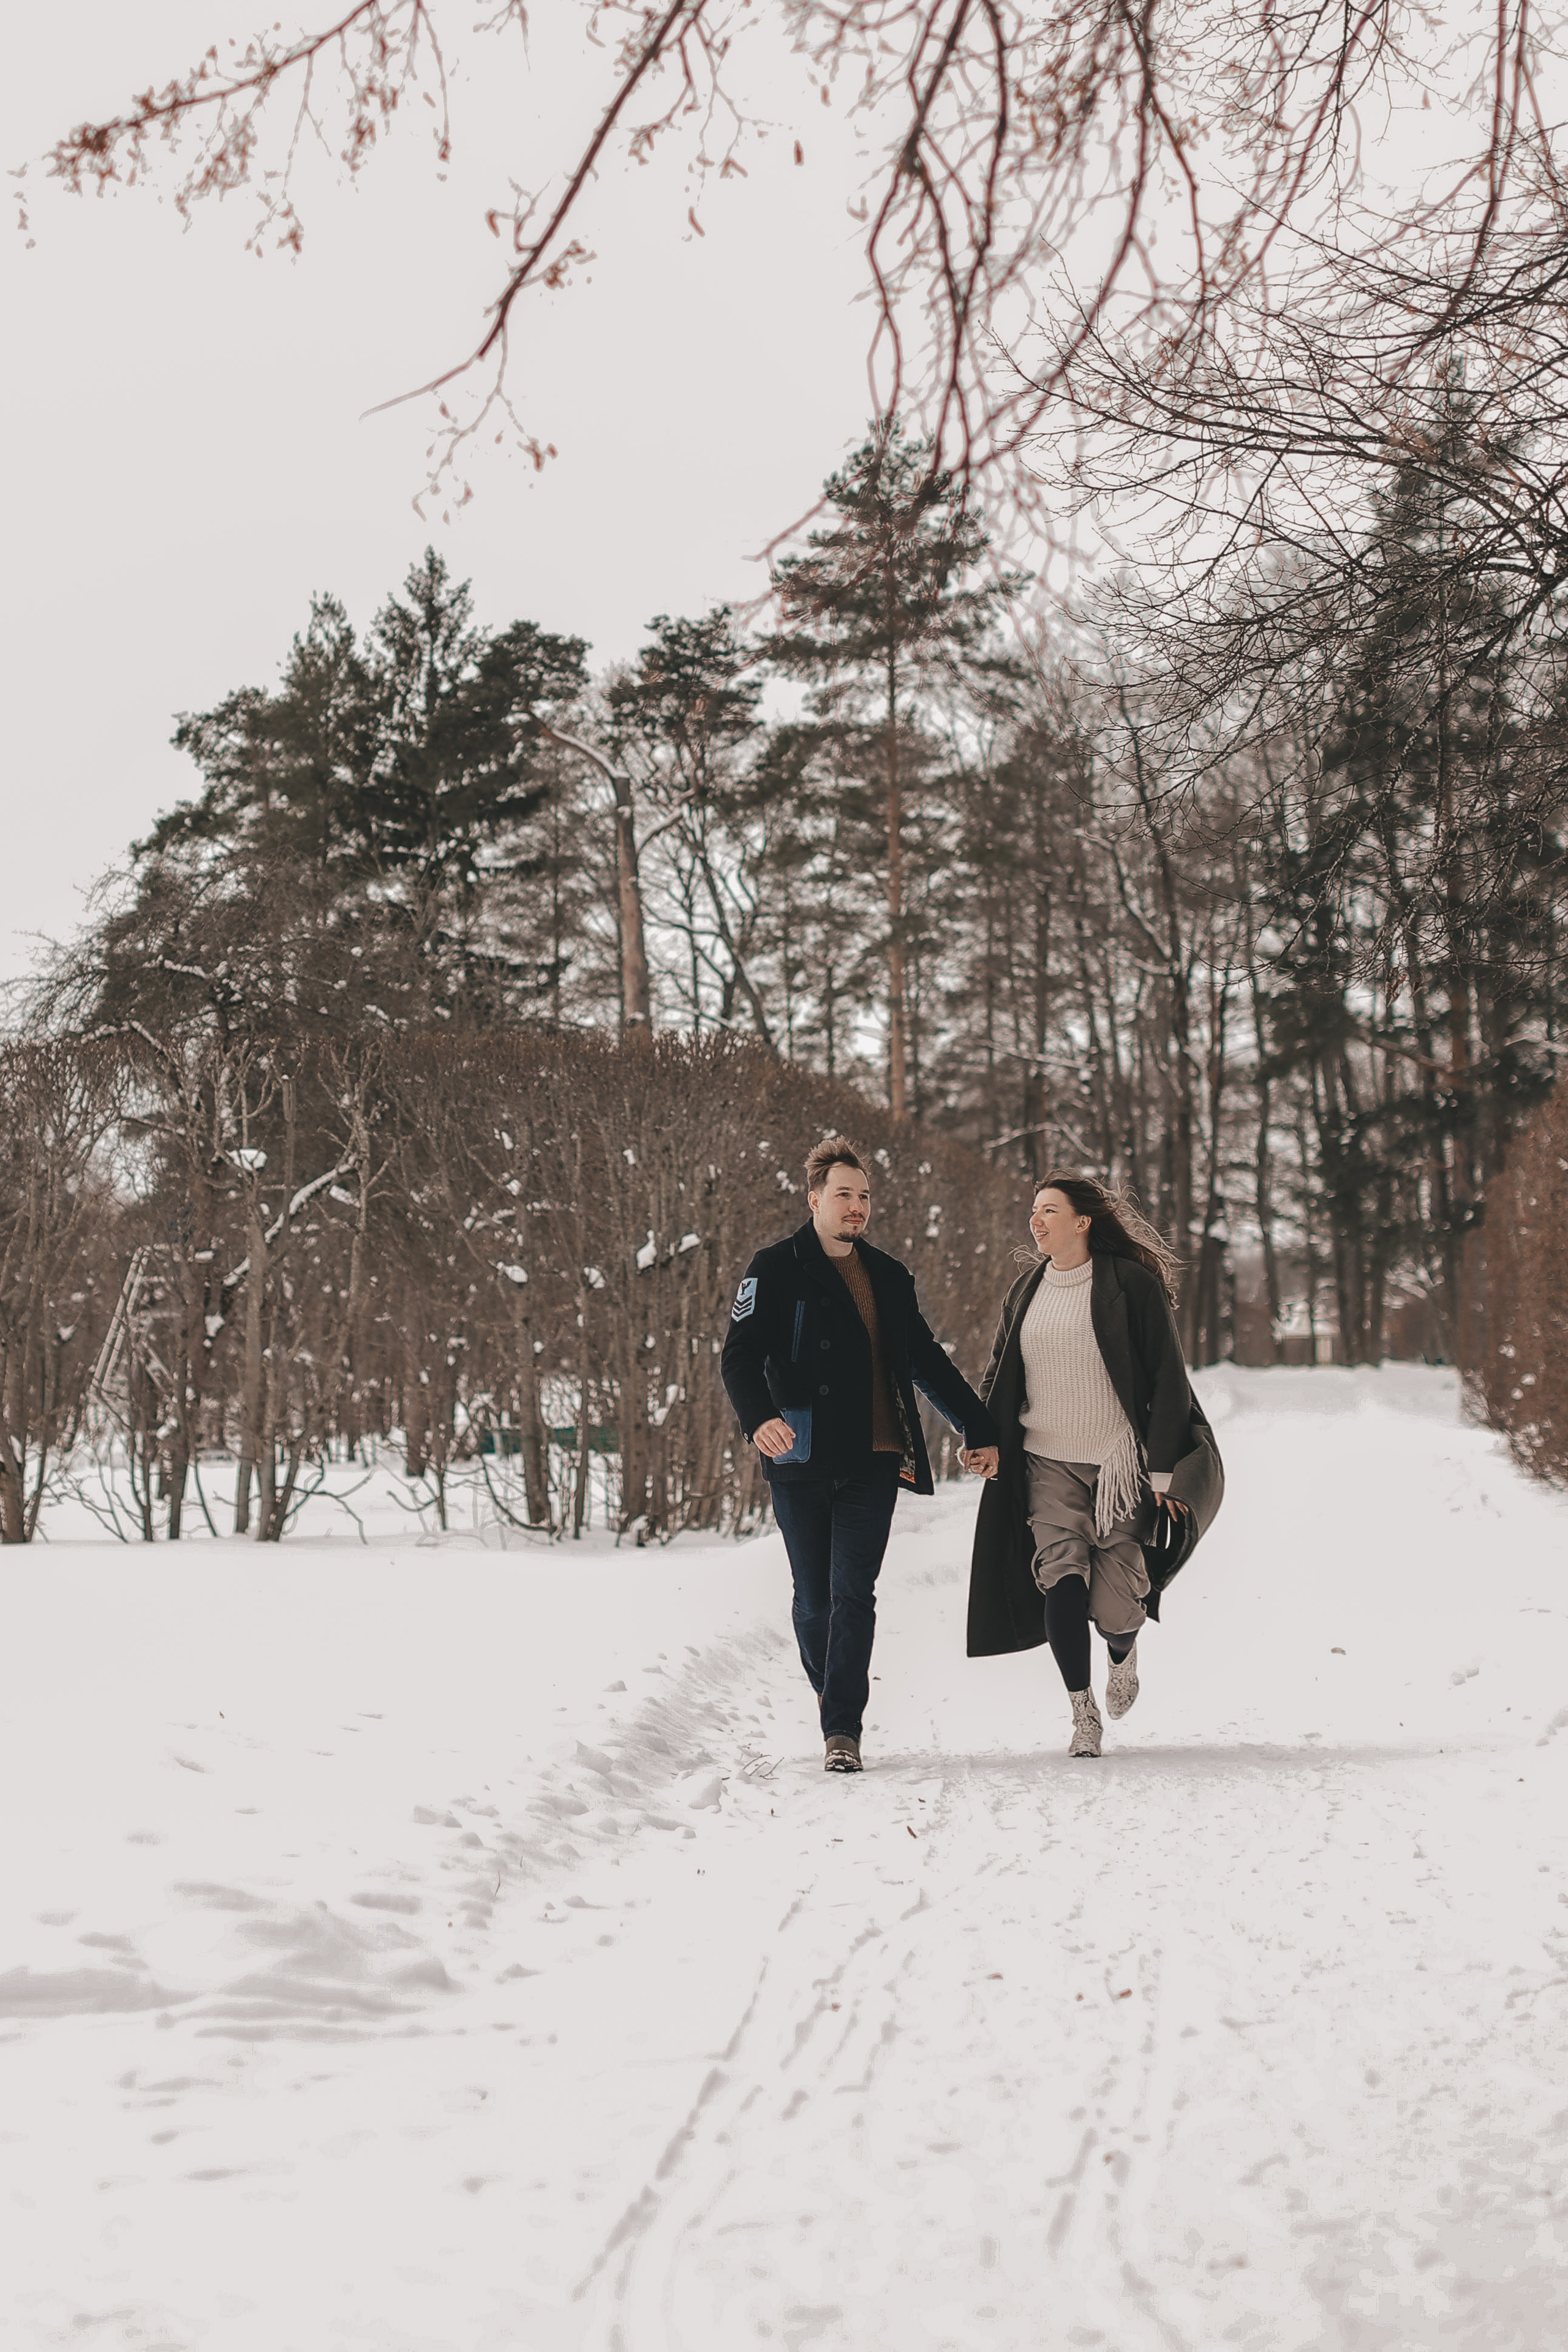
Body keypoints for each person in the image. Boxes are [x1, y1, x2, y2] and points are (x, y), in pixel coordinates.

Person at [722, 1135, 1000, 1774]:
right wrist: (758, 1417)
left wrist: (976, 1426)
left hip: (875, 1457)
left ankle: (842, 1728)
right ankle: (833, 1694)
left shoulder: (888, 1276)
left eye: (864, 1196)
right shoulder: (774, 1266)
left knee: (854, 1593)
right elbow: (738, 1356)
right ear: (814, 1198)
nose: (856, 1207)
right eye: (843, 1195)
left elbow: (925, 1361)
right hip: (799, 1453)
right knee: (813, 1598)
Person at [960, 1175, 1224, 1757]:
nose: (1036, 1220)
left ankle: (1122, 1655)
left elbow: (1168, 1380)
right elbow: (999, 1373)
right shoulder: (1025, 1289)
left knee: (1116, 1604)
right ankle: (1083, 1712)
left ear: (1082, 1221)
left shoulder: (1131, 1284)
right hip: (1046, 1462)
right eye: (1033, 1210)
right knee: (1061, 1575)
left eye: (1049, 1210)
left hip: (1121, 1464)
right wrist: (981, 1435)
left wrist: (1160, 1476)